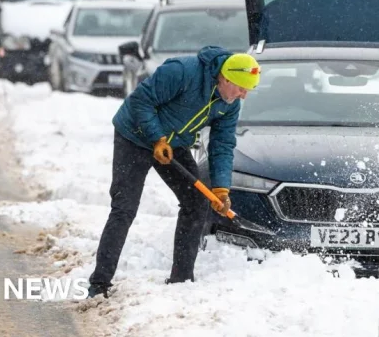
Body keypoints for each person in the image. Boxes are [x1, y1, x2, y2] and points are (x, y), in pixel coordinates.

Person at [87, 45, 260, 299]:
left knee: (196, 201)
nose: (243, 95)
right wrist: (157, 138)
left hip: (173, 143)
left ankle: (181, 279)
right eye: (241, 88)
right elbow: (140, 102)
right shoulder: (183, 72)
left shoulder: (229, 104)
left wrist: (221, 188)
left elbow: (222, 145)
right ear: (225, 77)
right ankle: (99, 283)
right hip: (134, 136)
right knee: (125, 207)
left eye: (247, 90)